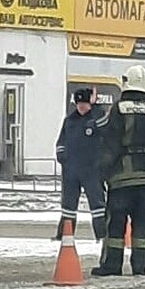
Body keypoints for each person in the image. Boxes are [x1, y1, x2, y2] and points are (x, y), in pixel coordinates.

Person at [92, 65, 145, 277]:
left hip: (122, 178)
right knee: (143, 224)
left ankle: (112, 265)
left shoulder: (119, 108)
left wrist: (102, 171)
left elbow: (110, 142)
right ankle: (140, 265)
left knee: (116, 223)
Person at [54, 88, 106, 242]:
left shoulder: (96, 118)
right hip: (71, 170)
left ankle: (102, 235)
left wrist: (95, 107)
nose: (82, 107)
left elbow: (105, 127)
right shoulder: (69, 120)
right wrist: (61, 155)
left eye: (85, 103)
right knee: (68, 205)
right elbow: (61, 141)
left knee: (97, 205)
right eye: (79, 104)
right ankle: (64, 235)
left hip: (92, 170)